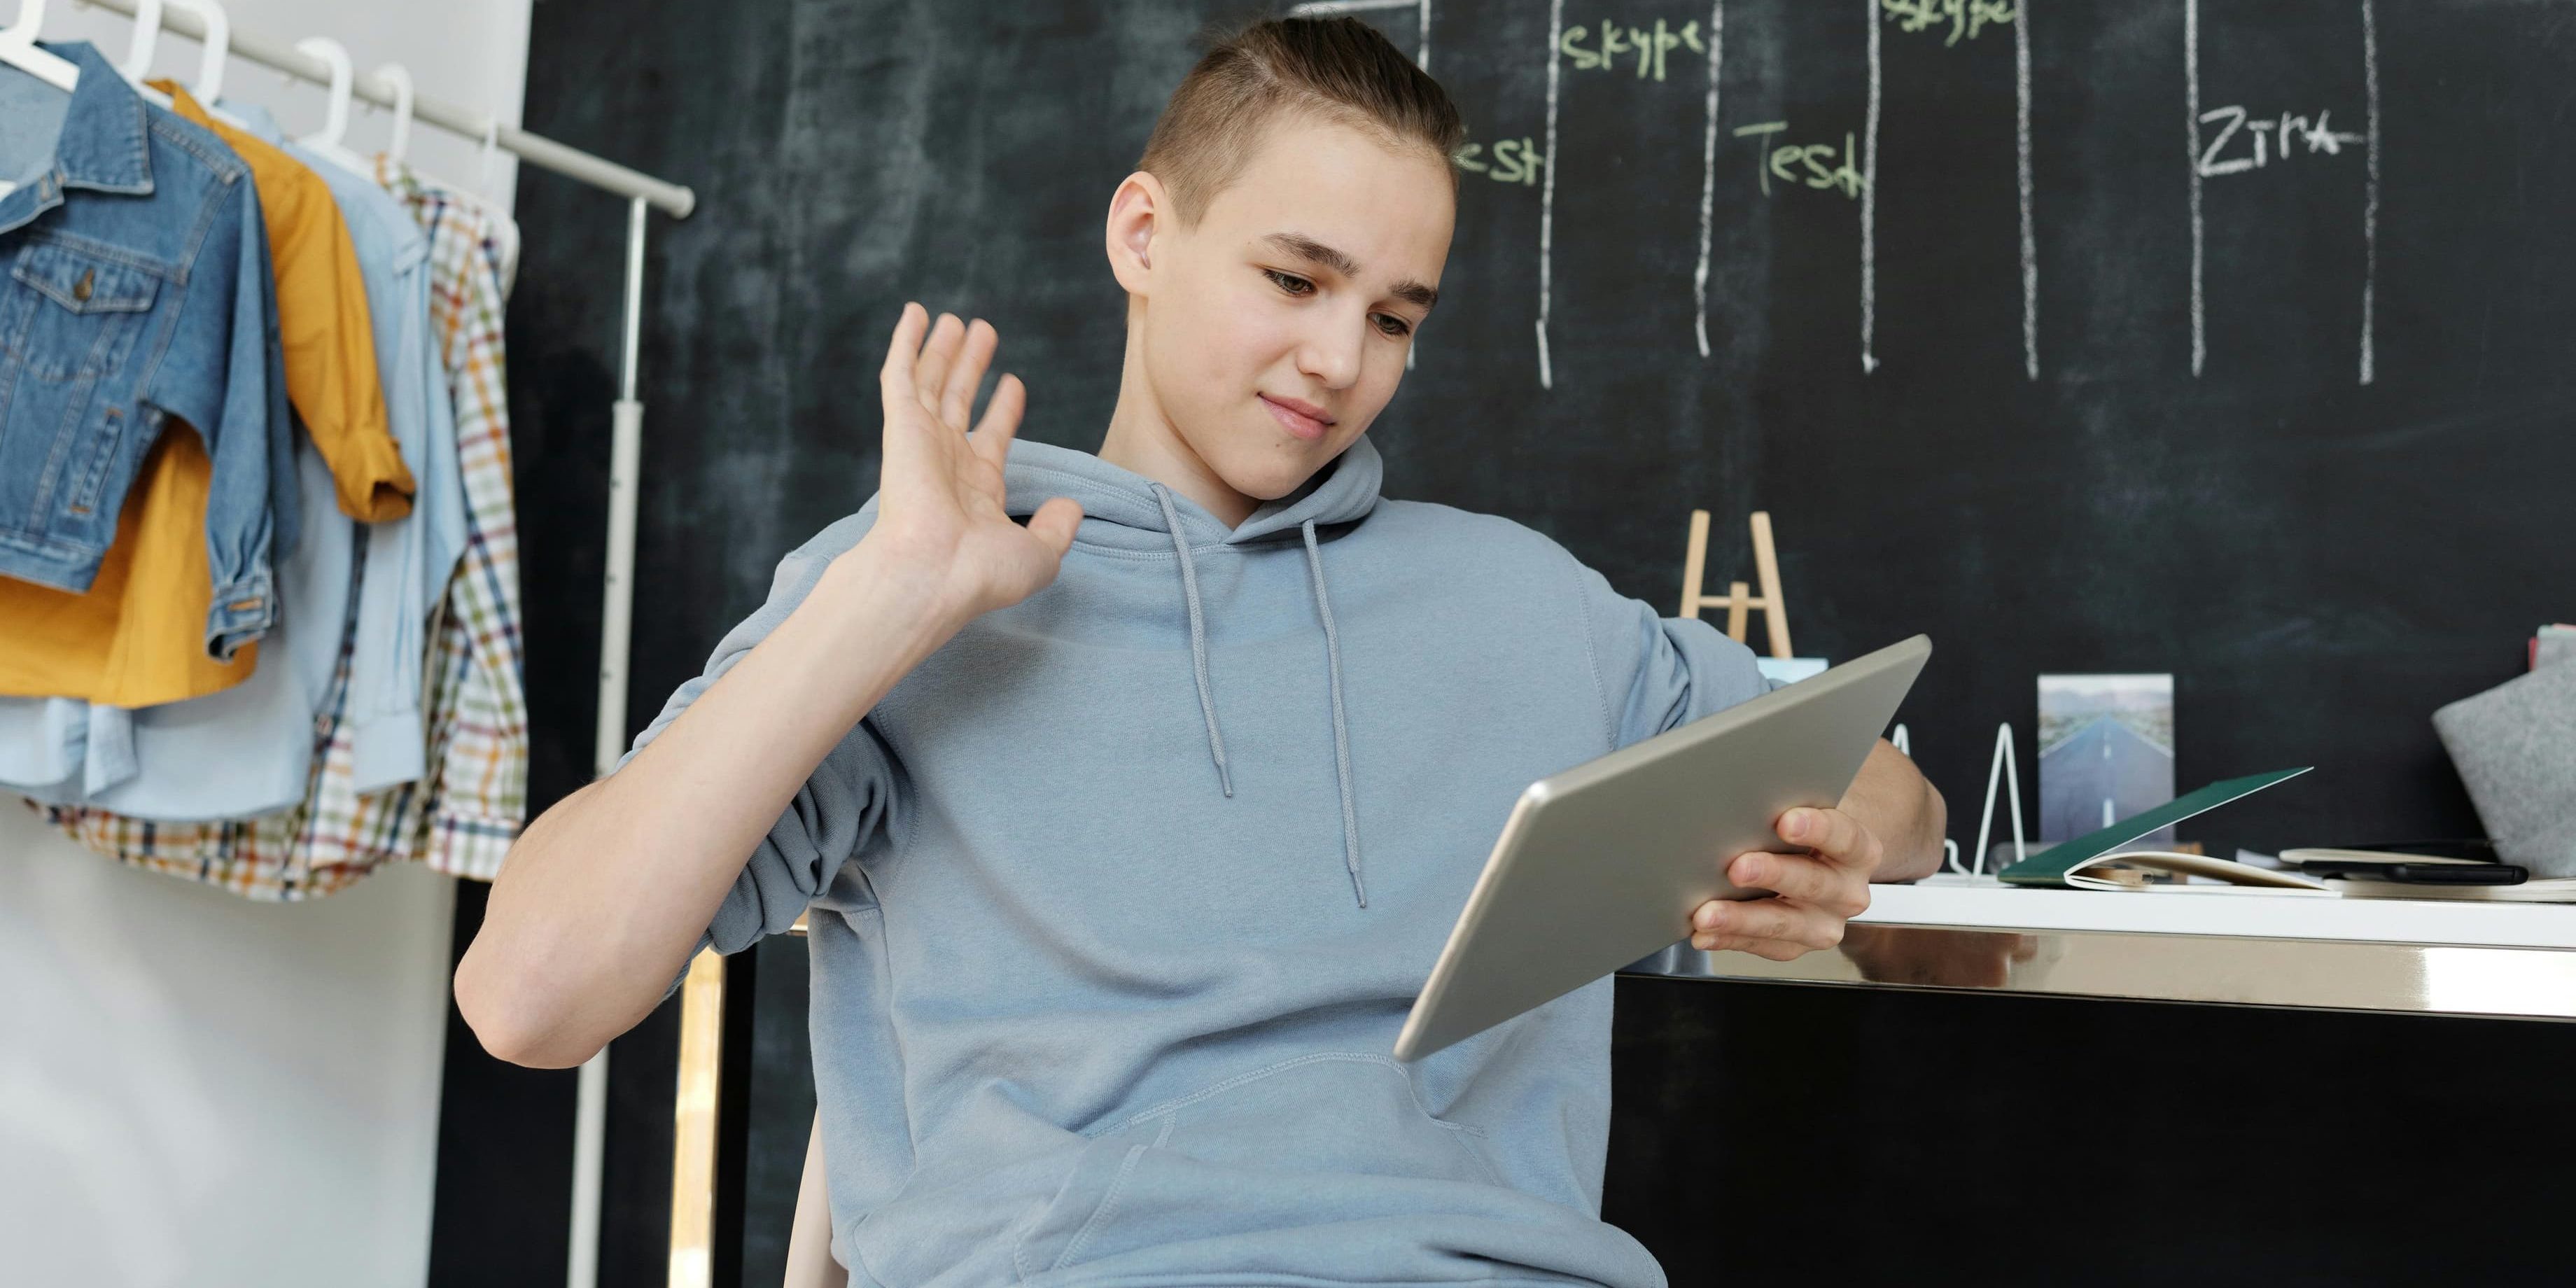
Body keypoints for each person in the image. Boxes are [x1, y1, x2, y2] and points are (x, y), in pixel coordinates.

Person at [458, 15, 1945, 1285]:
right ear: (1143, 234)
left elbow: (1896, 797)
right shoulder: (914, 586)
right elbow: (530, 997)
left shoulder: (1527, 602)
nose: (1338, 361)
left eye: (1393, 315)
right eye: (1294, 281)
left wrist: (1836, 843)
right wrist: (886, 595)